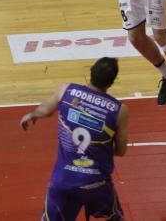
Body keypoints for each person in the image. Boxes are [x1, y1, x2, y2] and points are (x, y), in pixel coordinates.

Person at [20, 57, 129, 221]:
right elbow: (121, 151)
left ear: (90, 71)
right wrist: (99, 148)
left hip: (63, 180)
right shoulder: (119, 110)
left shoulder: (66, 90)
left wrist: (32, 114)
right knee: (113, 218)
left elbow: (45, 110)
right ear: (112, 82)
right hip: (96, 182)